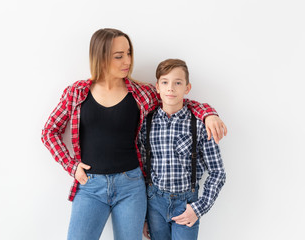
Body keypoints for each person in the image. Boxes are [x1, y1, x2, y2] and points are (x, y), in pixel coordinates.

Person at [41, 29, 227, 240]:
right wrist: (71, 166)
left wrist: (208, 114)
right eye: (119, 56)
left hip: (131, 185)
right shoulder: (77, 92)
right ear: (100, 57)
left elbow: (175, 101)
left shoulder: (141, 93)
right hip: (90, 185)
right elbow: (49, 132)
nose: (127, 61)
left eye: (129, 53)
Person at [138, 59, 226, 240]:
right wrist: (144, 216)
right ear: (157, 87)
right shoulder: (146, 124)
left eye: (177, 83)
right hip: (154, 203)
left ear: (187, 88)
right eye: (165, 82)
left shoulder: (199, 125)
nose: (170, 88)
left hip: (186, 204)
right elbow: (142, 171)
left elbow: (217, 172)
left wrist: (198, 208)